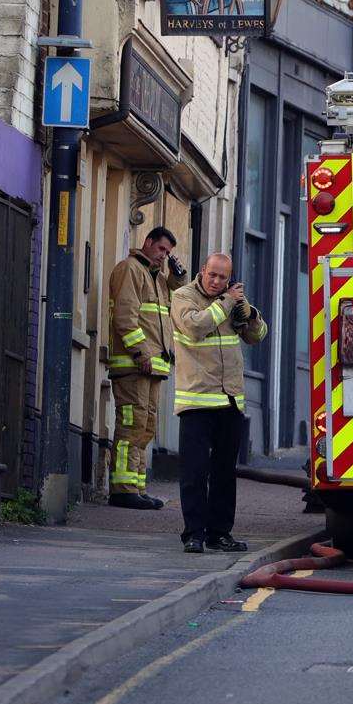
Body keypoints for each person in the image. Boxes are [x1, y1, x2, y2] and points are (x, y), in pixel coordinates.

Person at [169, 252, 268, 553]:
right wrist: (226, 302)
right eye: (212, 274)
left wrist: (249, 314)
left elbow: (258, 336)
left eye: (222, 277)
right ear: (202, 271)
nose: (216, 281)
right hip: (197, 401)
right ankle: (194, 534)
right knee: (195, 472)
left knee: (225, 473)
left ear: (229, 278)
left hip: (230, 401)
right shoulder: (183, 296)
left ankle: (219, 533)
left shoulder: (233, 301)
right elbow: (195, 328)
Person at [105, 227, 188, 509]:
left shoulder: (157, 278)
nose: (164, 256)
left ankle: (136, 487)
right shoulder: (130, 270)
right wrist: (140, 353)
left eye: (168, 253)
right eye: (162, 249)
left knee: (145, 428)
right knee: (131, 425)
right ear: (148, 242)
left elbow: (177, 295)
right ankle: (122, 489)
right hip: (134, 365)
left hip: (152, 367)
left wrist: (177, 274)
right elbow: (125, 317)